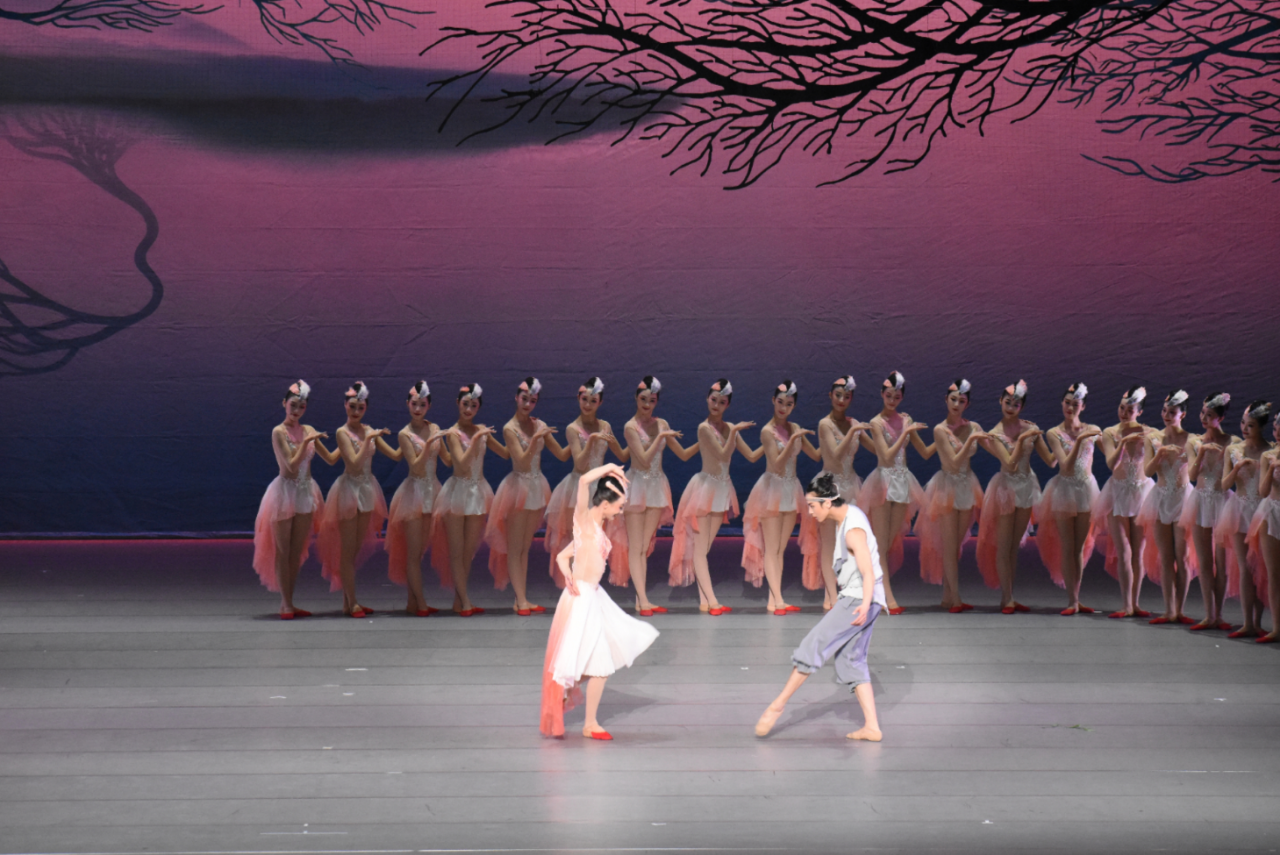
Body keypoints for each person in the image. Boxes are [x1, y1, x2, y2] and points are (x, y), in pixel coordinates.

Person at [753, 473, 884, 742]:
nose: (810, 512)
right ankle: (872, 726)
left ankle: (777, 705)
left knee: (812, 646)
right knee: (852, 660)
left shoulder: (852, 530)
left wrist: (863, 604)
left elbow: (868, 572)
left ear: (827, 503)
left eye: (813, 506)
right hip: (868, 600)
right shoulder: (850, 514)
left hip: (858, 600)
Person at [541, 464, 659, 739]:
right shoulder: (583, 521)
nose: (620, 511)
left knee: (597, 661)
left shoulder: (594, 528)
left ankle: (574, 698)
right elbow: (583, 481)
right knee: (600, 666)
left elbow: (563, 556)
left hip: (593, 597)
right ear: (604, 504)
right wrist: (609, 468)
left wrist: (566, 570)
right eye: (618, 506)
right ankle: (589, 722)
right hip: (581, 600)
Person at [608, 376, 699, 615]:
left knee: (644, 546)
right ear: (636, 399)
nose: (647, 404)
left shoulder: (662, 423)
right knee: (636, 546)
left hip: (657, 488)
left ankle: (642, 601)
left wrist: (705, 440)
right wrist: (660, 437)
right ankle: (643, 599)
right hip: (637, 487)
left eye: (652, 400)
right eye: (643, 399)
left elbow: (683, 454)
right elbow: (644, 459)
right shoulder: (630, 427)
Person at [668, 379, 760, 614]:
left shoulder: (730, 427)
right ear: (707, 399)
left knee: (704, 549)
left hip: (722, 491)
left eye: (722, 402)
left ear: (727, 404)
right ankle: (712, 601)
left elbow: (751, 456)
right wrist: (735, 432)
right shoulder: (704, 428)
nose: (716, 405)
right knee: (700, 550)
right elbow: (722, 455)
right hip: (704, 489)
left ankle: (703, 601)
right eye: (713, 400)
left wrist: (781, 446)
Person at [253, 380, 339, 619]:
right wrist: (306, 443)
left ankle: (288, 602)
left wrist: (352, 440)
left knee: (296, 550)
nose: (297, 410)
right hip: (284, 493)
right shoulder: (278, 432)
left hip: (305, 493)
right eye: (293, 405)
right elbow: (291, 466)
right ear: (284, 404)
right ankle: (286, 603)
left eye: (301, 406)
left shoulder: (308, 429)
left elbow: (330, 459)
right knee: (283, 550)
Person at [485, 377, 570, 615]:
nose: (527, 404)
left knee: (524, 547)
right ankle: (521, 599)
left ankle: (521, 598)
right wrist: (535, 438)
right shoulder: (509, 428)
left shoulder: (539, 424)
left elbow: (562, 454)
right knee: (515, 548)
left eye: (532, 401)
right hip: (517, 489)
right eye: (524, 399)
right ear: (516, 398)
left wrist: (583, 440)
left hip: (536, 488)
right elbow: (522, 462)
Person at [318, 382, 402, 618]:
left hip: (367, 490)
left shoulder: (369, 430)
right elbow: (354, 464)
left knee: (353, 551)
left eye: (361, 408)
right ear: (345, 405)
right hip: (348, 491)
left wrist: (412, 437)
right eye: (352, 406)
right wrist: (368, 439)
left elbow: (396, 455)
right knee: (347, 551)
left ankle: (348, 602)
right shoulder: (342, 432)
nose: (356, 411)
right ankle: (353, 602)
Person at [742, 380, 823, 615]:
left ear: (793, 406)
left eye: (788, 404)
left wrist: (834, 435)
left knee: (780, 549)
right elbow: (777, 465)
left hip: (791, 491)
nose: (783, 408)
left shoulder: (794, 427)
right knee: (771, 548)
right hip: (771, 490)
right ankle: (778, 599)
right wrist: (793, 440)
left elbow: (816, 455)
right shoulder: (767, 431)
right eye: (780, 402)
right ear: (773, 401)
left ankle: (774, 599)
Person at [857, 371, 934, 614]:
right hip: (883, 482)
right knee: (880, 542)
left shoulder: (906, 419)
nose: (892, 400)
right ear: (882, 394)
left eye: (897, 396)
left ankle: (873, 589)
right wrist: (905, 433)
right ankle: (886, 597)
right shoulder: (876, 422)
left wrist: (950, 438)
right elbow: (887, 457)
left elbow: (925, 452)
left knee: (889, 542)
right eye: (888, 395)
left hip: (903, 483)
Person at [431, 383, 510, 616]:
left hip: (477, 493)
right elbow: (461, 463)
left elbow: (506, 453)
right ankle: (465, 601)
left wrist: (525, 432)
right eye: (465, 404)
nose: (468, 409)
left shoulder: (481, 431)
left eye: (473, 406)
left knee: (468, 552)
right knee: (456, 552)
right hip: (457, 493)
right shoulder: (452, 433)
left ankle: (459, 600)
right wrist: (476, 439)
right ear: (458, 403)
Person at [976, 380, 1054, 613]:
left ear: (1022, 406)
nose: (1011, 407)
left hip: (1027, 488)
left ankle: (1008, 596)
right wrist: (1021, 440)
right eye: (1007, 402)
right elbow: (1009, 464)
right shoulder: (995, 434)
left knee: (1013, 546)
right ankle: (1007, 597)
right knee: (1003, 545)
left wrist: (1070, 443)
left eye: (1016, 404)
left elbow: (1051, 460)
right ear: (1000, 401)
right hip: (1006, 489)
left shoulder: (1031, 428)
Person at [545, 377, 629, 586]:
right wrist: (591, 440)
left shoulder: (605, 426)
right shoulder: (573, 428)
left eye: (593, 401)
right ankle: (573, 585)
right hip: (579, 487)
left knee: (596, 538)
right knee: (578, 538)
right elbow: (580, 463)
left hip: (599, 488)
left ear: (600, 402)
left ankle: (590, 584)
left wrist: (644, 439)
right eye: (584, 399)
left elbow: (622, 454)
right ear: (578, 398)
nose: (588, 405)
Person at [385, 381, 455, 616]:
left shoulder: (434, 428)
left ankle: (412, 602)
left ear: (429, 406)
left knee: (420, 551)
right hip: (413, 494)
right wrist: (429, 444)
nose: (417, 409)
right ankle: (421, 602)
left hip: (432, 492)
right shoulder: (404, 434)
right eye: (414, 404)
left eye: (422, 405)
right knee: (413, 554)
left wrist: (460, 442)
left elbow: (447, 460)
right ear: (407, 404)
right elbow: (415, 467)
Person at [916, 379, 986, 612]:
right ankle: (955, 597)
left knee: (956, 546)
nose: (956, 404)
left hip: (968, 486)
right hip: (946, 488)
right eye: (953, 399)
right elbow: (954, 463)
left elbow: (993, 446)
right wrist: (972, 440)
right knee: (949, 545)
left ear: (967, 404)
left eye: (961, 401)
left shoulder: (974, 426)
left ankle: (948, 596)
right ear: (946, 400)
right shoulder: (940, 429)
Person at [1035, 382, 1102, 616]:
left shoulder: (1093, 429)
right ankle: (1071, 600)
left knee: (1080, 547)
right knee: (1067, 546)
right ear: (1061, 403)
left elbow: (1112, 453)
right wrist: (1081, 440)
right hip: (1064, 491)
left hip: (1087, 491)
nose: (1070, 407)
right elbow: (1064, 465)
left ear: (1083, 406)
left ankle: (1077, 597)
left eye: (1075, 404)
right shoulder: (1054, 433)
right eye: (1067, 403)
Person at [1093, 386, 1155, 618]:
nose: (1124, 413)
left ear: (1139, 412)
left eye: (1130, 410)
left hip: (1141, 493)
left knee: (1138, 552)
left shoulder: (1149, 433)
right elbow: (1111, 463)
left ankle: (1135, 603)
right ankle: (1126, 604)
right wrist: (1123, 442)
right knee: (1124, 551)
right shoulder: (1110, 432)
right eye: (1122, 408)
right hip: (1117, 493)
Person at [816, 375, 873, 609]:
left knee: (848, 544)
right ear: (830, 396)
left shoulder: (854, 423)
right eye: (838, 395)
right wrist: (853, 431)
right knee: (829, 544)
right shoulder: (824, 424)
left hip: (851, 487)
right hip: (829, 486)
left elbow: (877, 449)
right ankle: (831, 596)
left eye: (846, 396)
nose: (841, 400)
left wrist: (896, 432)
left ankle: (843, 591)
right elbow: (836, 454)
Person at [1140, 389, 1197, 625]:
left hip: (1183, 498)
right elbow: (1147, 471)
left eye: (1172, 412)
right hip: (1161, 498)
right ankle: (1168, 610)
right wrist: (1160, 453)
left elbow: (1196, 472)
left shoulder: (1192, 439)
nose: (1166, 415)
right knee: (1166, 557)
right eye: (1164, 411)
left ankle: (1180, 610)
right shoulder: (1154, 438)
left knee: (1181, 557)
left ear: (1182, 414)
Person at [1183, 393, 1235, 631]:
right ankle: (1208, 614)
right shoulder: (1194, 442)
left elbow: (1232, 476)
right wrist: (1202, 451)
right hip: (1200, 500)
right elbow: (1192, 476)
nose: (1204, 418)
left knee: (1222, 563)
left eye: (1210, 415)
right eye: (1203, 413)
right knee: (1205, 562)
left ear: (1220, 418)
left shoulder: (1232, 442)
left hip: (1223, 501)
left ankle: (1219, 615)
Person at [1220, 401, 1271, 637]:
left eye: (1250, 425)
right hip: (1239, 511)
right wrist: (1237, 467)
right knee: (1244, 568)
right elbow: (1224, 485)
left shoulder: (1270, 451)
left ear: (1261, 427)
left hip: (1262, 511)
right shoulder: (1234, 450)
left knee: (1261, 568)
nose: (1244, 429)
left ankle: (1258, 622)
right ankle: (1247, 622)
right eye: (1243, 423)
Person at [1246, 414, 1280, 643]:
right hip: (1271, 512)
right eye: (1276, 430)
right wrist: (1271, 468)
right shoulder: (1268, 456)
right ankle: (1276, 627)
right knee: (1273, 573)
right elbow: (1262, 491)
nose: (1278, 434)